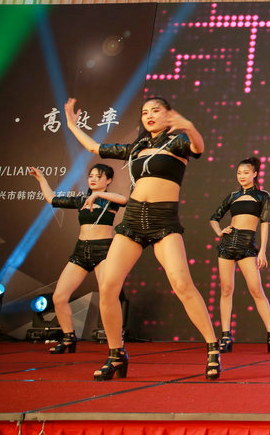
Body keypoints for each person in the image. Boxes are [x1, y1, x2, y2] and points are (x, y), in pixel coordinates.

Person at [63, 96, 220, 381]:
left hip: (163, 221)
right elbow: (94, 147)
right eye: (145, 111)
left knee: (182, 284)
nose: (149, 115)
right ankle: (116, 354)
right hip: (133, 221)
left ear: (168, 115)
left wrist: (188, 126)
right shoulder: (137, 147)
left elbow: (199, 147)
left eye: (155, 110)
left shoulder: (177, 142)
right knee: (108, 287)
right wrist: (72, 125)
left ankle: (212, 347)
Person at [29, 164, 127, 354]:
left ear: (108, 180)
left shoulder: (110, 200)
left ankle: (115, 344)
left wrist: (98, 195)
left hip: (104, 251)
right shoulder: (82, 200)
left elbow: (123, 199)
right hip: (81, 251)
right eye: (91, 176)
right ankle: (68, 337)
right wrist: (41, 179)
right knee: (59, 297)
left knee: (107, 297)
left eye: (98, 176)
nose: (93, 179)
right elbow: (52, 199)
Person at [209, 156, 270, 354]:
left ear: (254, 174)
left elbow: (265, 224)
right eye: (239, 173)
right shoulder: (232, 196)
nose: (242, 176)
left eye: (246, 172)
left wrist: (262, 251)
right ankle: (225, 336)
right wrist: (219, 231)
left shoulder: (262, 196)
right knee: (226, 290)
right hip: (227, 245)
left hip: (247, 246)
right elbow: (214, 218)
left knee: (257, 290)